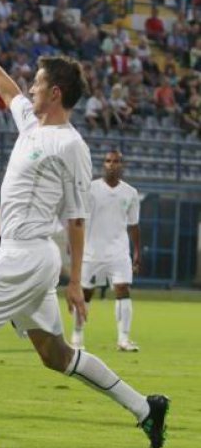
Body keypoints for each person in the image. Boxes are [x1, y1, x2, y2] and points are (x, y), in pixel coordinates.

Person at [0, 39, 168, 448]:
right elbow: (8, 91)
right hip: (17, 253)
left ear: (55, 92)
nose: (31, 89)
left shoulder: (71, 145)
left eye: (37, 84)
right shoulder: (32, 124)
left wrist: (75, 282)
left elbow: (76, 217)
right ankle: (146, 408)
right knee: (56, 356)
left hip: (28, 256)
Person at [71, 150, 141, 352]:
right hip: (91, 251)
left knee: (123, 290)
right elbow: (78, 219)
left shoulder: (130, 193)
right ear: (103, 164)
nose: (112, 164)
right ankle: (77, 337)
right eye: (109, 161)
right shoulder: (91, 189)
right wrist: (73, 243)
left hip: (119, 251)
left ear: (122, 165)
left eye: (117, 161)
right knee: (85, 293)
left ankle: (123, 339)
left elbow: (134, 225)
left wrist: (137, 253)